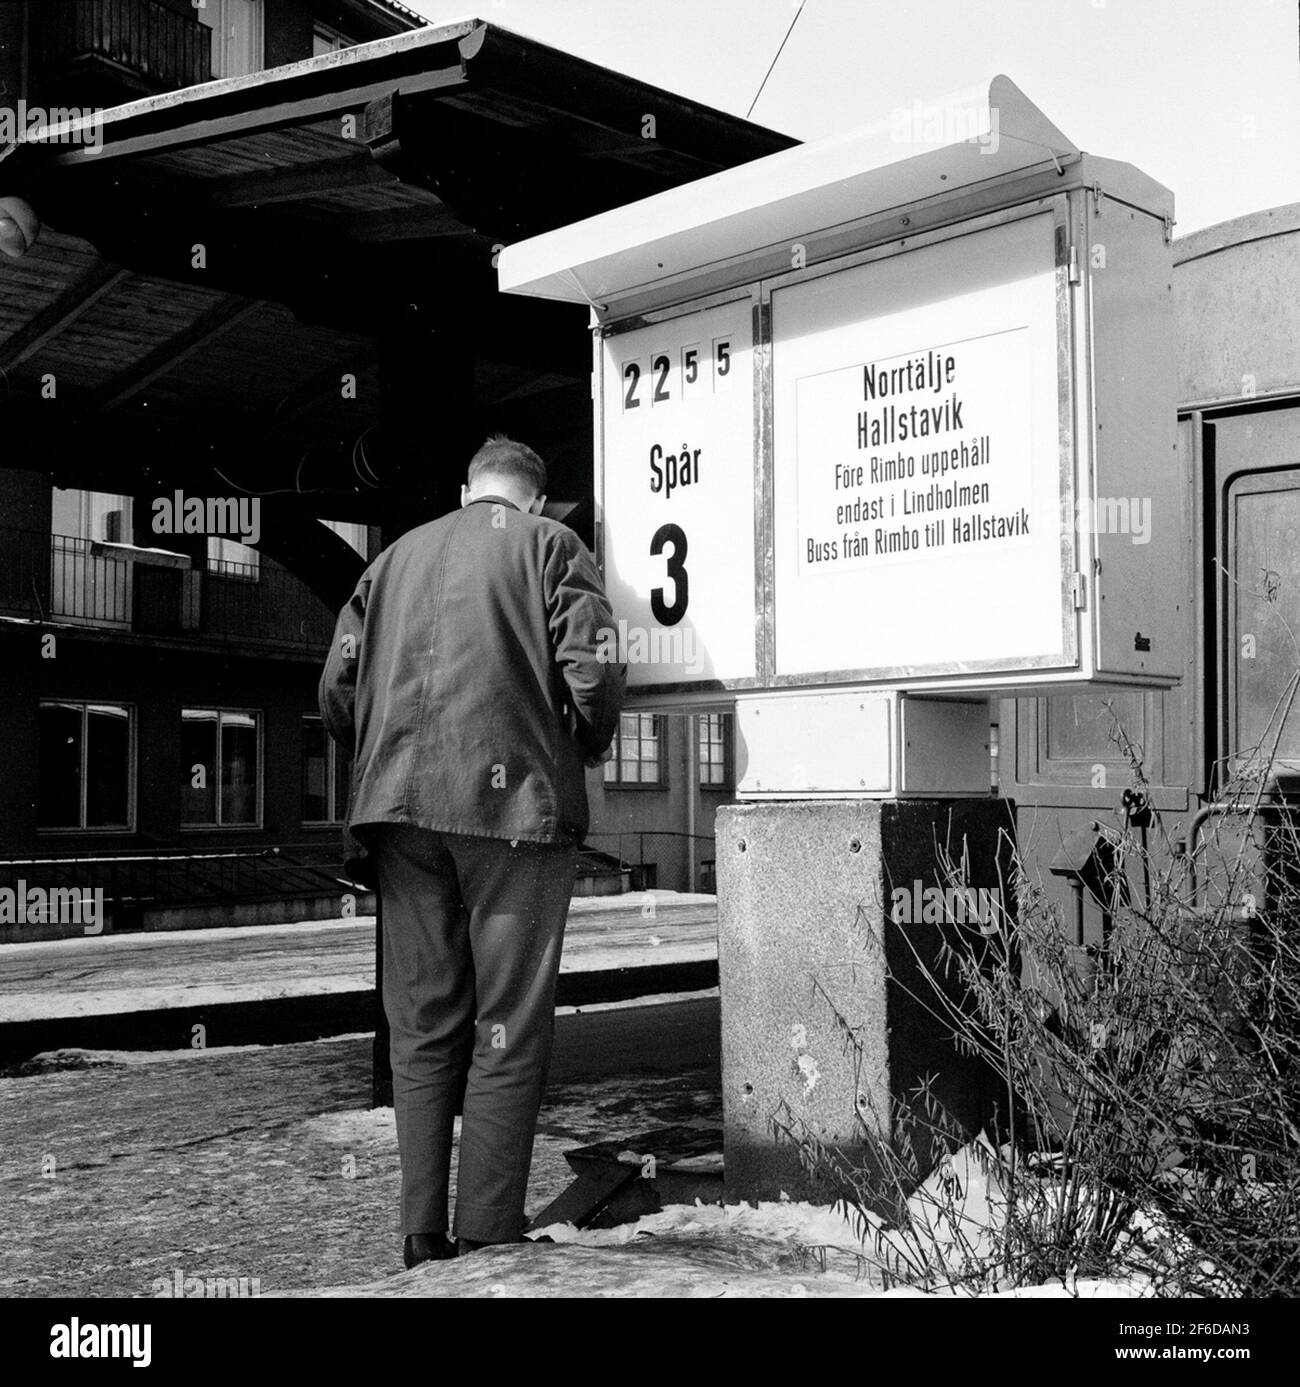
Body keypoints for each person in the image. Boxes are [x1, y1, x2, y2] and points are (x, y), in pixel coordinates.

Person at [318, 435, 626, 1267]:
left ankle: (421, 1235)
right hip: (511, 810)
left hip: (398, 812)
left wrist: (381, 751)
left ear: (466, 490)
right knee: (505, 1026)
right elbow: (593, 674)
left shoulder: (390, 562)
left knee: (419, 1026)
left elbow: (334, 691)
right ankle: (487, 1229)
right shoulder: (553, 546)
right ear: (535, 500)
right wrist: (585, 745)